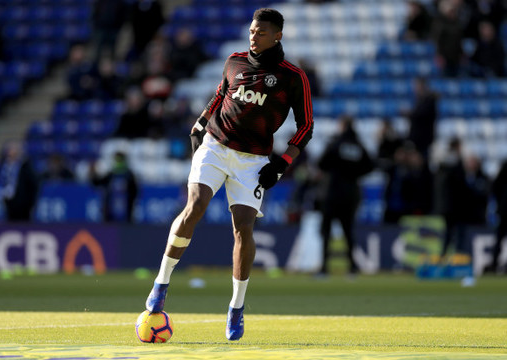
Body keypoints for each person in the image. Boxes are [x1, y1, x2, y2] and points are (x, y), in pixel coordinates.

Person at [144, 8, 313, 341]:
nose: (254, 36)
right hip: (216, 146)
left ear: (277, 35)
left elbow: (305, 126)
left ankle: (236, 308)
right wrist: (199, 124)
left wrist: (282, 164)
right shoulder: (234, 61)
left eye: (261, 32)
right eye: (252, 30)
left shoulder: (293, 77)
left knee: (243, 230)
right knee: (195, 205)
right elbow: (220, 95)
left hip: (253, 161)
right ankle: (161, 284)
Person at [315, 116, 374, 276]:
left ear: (342, 126)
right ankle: (353, 267)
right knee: (348, 231)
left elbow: (321, 163)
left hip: (332, 192)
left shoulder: (335, 143)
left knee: (326, 231)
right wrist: (354, 173)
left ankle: (324, 268)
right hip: (351, 193)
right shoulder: (358, 145)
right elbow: (370, 166)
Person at [89, 151, 138, 222]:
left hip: (126, 214)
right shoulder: (111, 174)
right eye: (116, 159)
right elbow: (97, 183)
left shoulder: (129, 175)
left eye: (119, 159)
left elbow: (135, 192)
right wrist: (92, 173)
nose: (117, 162)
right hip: (110, 212)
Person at [0, 141, 38, 221]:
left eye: (12, 153)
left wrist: (29, 203)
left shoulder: (25, 167)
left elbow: (33, 185)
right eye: (9, 154)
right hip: (9, 203)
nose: (10, 155)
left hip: (23, 205)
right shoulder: (5, 167)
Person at [406, 77, 437, 160]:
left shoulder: (429, 100)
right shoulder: (419, 100)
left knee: (423, 159)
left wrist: (410, 114)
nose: (415, 88)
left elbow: (422, 115)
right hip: (417, 138)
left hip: (424, 137)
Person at [485, 159, 507, 274]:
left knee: (499, 238)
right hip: (504, 211)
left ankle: (494, 263)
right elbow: (495, 187)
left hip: (503, 209)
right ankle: (494, 263)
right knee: (499, 239)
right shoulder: (505, 167)